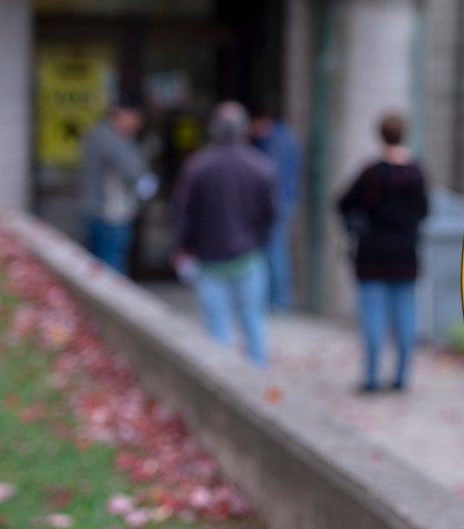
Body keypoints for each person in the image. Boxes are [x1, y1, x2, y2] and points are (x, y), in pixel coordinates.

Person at [173, 101, 277, 367]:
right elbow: (271, 214)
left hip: (211, 258)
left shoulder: (197, 167)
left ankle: (224, 385)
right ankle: (257, 386)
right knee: (253, 323)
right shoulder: (261, 166)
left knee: (217, 331)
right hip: (249, 256)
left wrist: (183, 247)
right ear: (244, 129)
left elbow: (184, 214)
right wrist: (259, 239)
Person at [337, 112, 429, 392]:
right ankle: (402, 375)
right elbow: (425, 211)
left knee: (373, 316)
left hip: (372, 254)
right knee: (405, 315)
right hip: (405, 253)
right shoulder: (416, 173)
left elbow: (343, 203)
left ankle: (372, 377)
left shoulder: (371, 173)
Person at [79, 93, 158, 274]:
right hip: (109, 214)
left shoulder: (101, 134)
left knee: (99, 269)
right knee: (111, 274)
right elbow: (133, 171)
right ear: (121, 114)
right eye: (135, 118)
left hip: (100, 212)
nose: (137, 124)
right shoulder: (109, 137)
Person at [251, 105, 301, 312]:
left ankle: (278, 300)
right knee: (277, 250)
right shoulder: (287, 137)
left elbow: (270, 176)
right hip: (285, 200)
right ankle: (278, 299)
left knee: (274, 252)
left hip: (276, 202)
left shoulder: (274, 142)